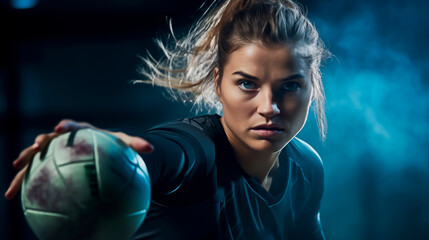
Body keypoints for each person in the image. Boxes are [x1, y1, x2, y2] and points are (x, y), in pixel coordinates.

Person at [5, 0, 330, 239]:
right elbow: (156, 156)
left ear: (312, 88)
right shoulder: (195, 152)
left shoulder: (306, 168)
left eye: (290, 86)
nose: (269, 106)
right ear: (218, 84)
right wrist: (103, 150)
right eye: (247, 84)